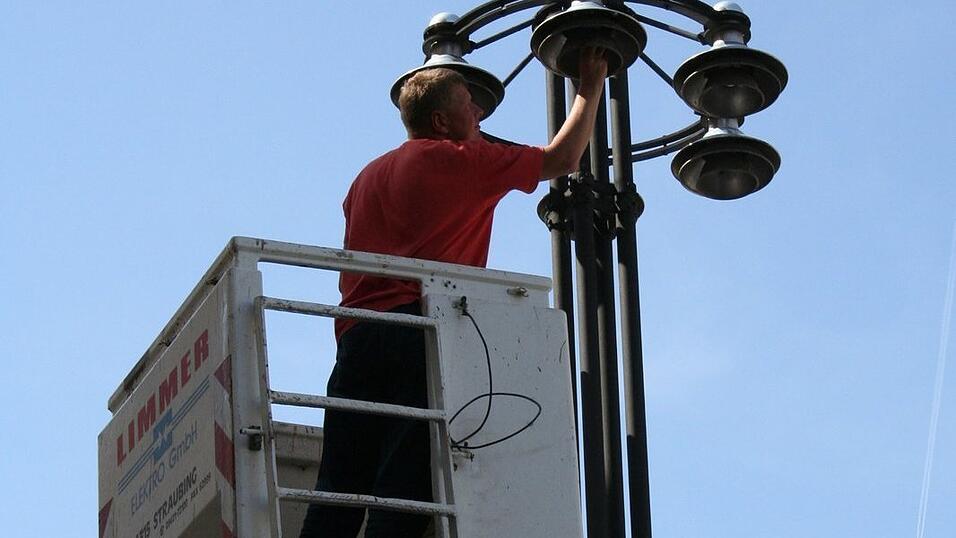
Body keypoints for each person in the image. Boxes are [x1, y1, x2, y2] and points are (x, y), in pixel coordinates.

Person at [299, 47, 608, 538]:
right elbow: (564, 157)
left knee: (340, 485)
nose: (480, 113)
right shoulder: (466, 160)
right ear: (442, 121)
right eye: (470, 104)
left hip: (356, 338)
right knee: (407, 486)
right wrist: (589, 86)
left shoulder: (366, 176)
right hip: (416, 334)